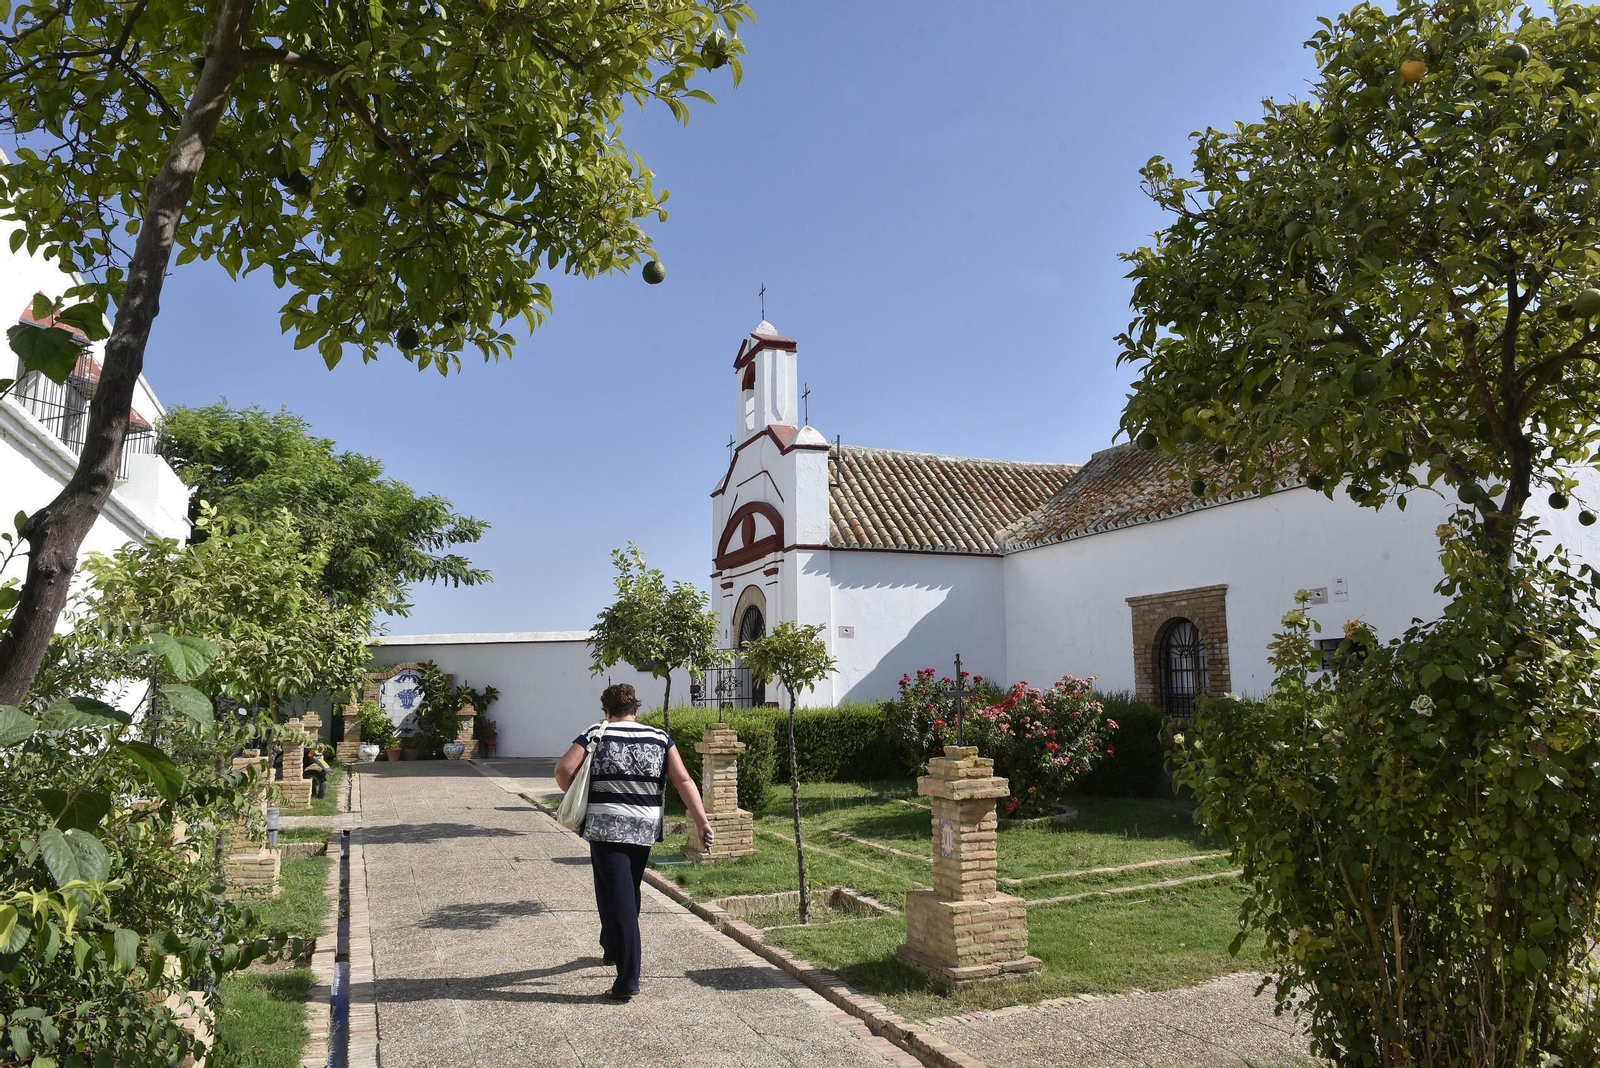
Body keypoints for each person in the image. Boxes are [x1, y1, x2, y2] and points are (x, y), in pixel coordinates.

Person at [554, 683, 714, 1002]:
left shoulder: (595, 733)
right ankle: (612, 946)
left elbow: (563, 769)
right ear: (636, 709)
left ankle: (627, 979)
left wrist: (579, 795)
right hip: (644, 827)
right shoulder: (658, 737)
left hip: (606, 826)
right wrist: (702, 820)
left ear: (607, 711)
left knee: (618, 896)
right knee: (625, 889)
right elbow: (683, 780)